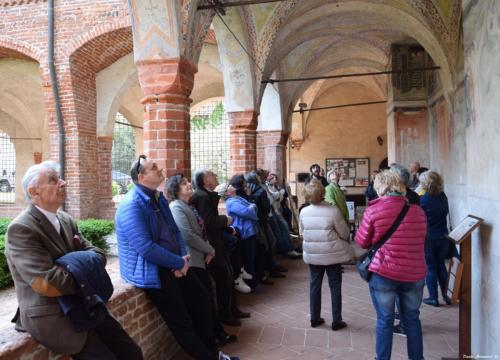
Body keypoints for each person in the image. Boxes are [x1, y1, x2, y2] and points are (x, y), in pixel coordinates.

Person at [5, 161, 142, 360]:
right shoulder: (21, 229)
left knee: (132, 352)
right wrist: (84, 268)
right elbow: (47, 283)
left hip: (85, 305)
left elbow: (97, 255)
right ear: (34, 191)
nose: (63, 182)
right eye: (53, 180)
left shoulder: (65, 219)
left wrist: (73, 264)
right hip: (53, 314)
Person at [115, 156, 238, 360]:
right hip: (153, 271)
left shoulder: (158, 197)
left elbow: (175, 231)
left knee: (202, 301)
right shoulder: (131, 205)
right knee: (181, 320)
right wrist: (178, 262)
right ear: (141, 176)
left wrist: (183, 257)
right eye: (154, 167)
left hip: (176, 263)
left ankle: (213, 353)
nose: (160, 168)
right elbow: (146, 248)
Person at [355, 170, 427, 360]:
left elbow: (362, 242)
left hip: (384, 272)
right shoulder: (418, 211)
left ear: (381, 188)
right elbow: (421, 238)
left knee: (385, 320)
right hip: (414, 272)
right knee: (412, 319)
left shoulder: (374, 210)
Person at [166, 174, 238, 347]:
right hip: (192, 261)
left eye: (187, 182)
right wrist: (210, 249)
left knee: (207, 300)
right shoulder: (176, 207)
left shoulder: (187, 205)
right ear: (175, 189)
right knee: (203, 303)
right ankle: (211, 339)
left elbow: (201, 230)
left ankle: (217, 333)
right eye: (183, 184)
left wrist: (208, 249)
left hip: (200, 257)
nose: (188, 184)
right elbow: (187, 235)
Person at [191, 170, 250, 326]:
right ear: (205, 181)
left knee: (229, 277)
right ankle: (225, 315)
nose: (215, 176)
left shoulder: (205, 194)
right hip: (212, 245)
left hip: (217, 242)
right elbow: (208, 222)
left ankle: (232, 309)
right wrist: (226, 220)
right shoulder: (201, 196)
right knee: (224, 280)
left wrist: (227, 228)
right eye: (212, 175)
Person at [300, 179, 352, 331]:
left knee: (314, 285)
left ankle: (314, 318)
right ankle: (337, 320)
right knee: (335, 286)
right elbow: (344, 233)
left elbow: (302, 233)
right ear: (322, 193)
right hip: (333, 254)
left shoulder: (303, 211)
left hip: (314, 254)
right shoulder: (333, 210)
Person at [419, 171, 452, 307]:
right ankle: (445, 295)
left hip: (429, 237)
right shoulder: (443, 196)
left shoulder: (423, 200)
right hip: (443, 236)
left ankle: (433, 297)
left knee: (431, 268)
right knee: (441, 266)